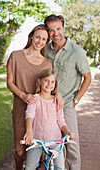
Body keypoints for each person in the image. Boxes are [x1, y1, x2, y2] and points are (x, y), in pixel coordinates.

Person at [44, 14, 91, 170]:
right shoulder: (46, 50)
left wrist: (75, 101)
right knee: (53, 145)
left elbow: (87, 78)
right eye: (51, 30)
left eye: (58, 28)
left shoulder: (76, 51)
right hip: (49, 105)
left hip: (67, 105)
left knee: (71, 145)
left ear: (63, 28)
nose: (55, 33)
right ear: (47, 32)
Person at [7, 24, 53, 170]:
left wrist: (56, 95)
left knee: (38, 151)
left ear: (46, 42)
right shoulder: (16, 56)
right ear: (31, 36)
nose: (39, 41)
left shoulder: (47, 63)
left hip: (40, 111)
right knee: (21, 153)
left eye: (44, 39)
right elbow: (9, 82)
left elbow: (49, 85)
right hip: (20, 108)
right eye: (37, 36)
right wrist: (23, 95)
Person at [23, 69, 75, 170]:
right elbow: (29, 114)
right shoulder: (35, 99)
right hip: (37, 140)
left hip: (55, 140)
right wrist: (29, 131)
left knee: (60, 167)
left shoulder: (57, 100)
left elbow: (61, 121)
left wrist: (68, 132)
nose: (49, 84)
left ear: (55, 84)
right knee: (30, 167)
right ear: (39, 81)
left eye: (52, 81)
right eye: (46, 80)